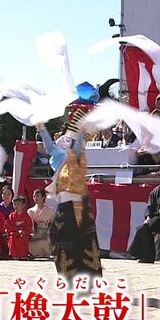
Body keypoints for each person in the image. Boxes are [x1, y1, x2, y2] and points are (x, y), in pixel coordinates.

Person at [38, 113, 103, 279]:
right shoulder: (62, 158)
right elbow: (50, 147)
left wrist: (82, 128)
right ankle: (70, 274)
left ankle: (82, 275)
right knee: (62, 239)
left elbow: (72, 144)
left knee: (74, 239)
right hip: (66, 206)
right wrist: (42, 128)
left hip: (75, 206)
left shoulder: (76, 158)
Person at [27, 189, 55, 258]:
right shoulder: (31, 211)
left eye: (37, 196)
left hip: (47, 232)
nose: (35, 198)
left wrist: (48, 233)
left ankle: (47, 253)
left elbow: (53, 225)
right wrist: (34, 233)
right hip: (36, 233)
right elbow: (31, 225)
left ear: (43, 197)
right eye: (34, 196)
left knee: (49, 240)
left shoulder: (50, 210)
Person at [6, 196, 34, 261]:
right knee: (12, 237)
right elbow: (9, 225)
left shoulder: (27, 216)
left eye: (18, 204)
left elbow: (29, 226)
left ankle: (23, 254)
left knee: (22, 237)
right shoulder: (11, 216)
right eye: (14, 204)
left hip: (23, 233)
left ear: (23, 205)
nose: (16, 206)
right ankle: (14, 255)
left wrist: (23, 231)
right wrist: (16, 230)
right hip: (14, 232)